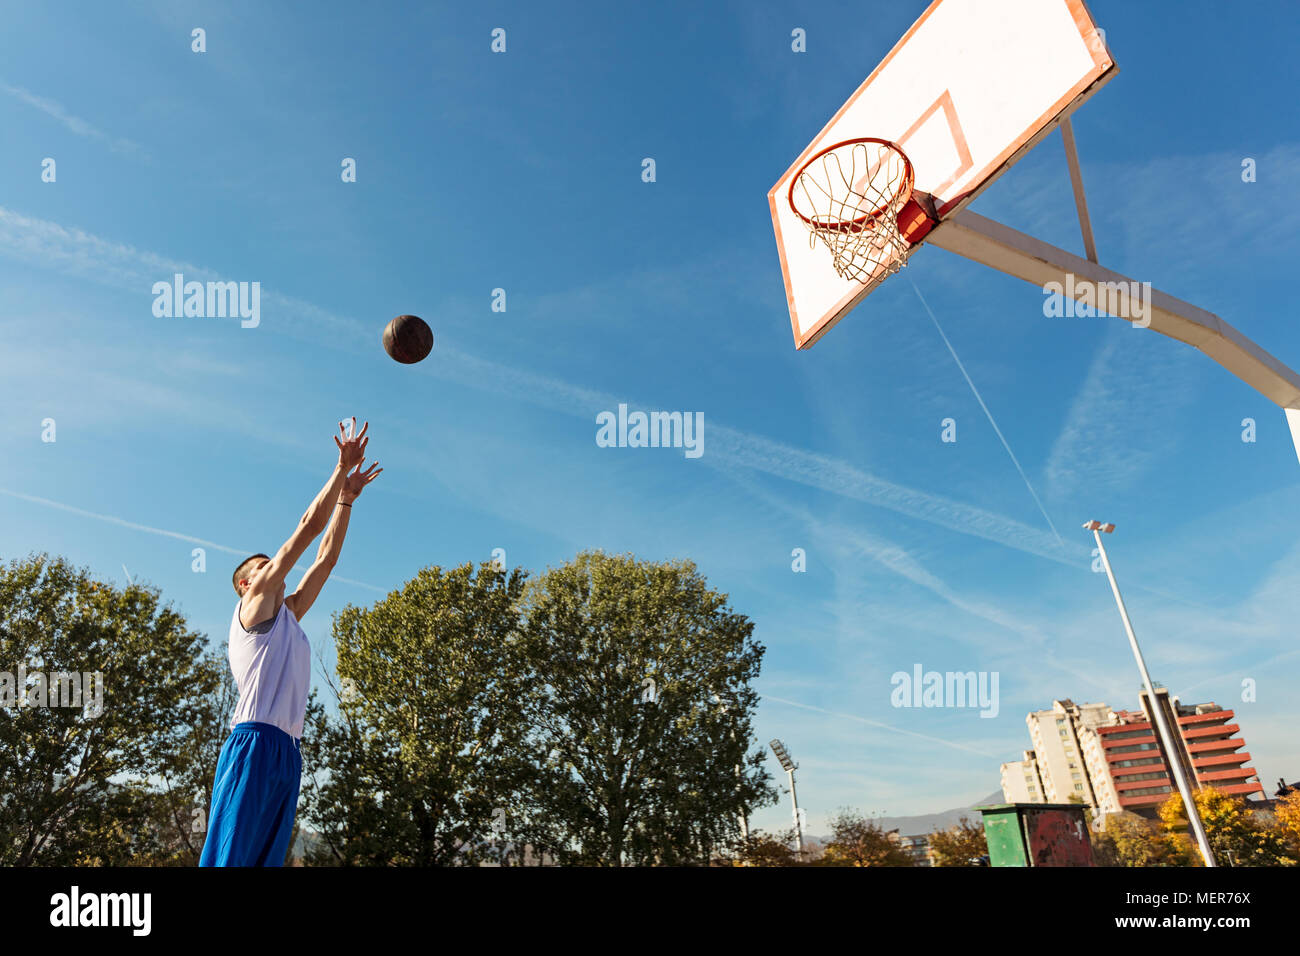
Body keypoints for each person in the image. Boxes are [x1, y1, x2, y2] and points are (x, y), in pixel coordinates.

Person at [200, 418, 382, 866]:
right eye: (262, 568)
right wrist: (340, 469)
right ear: (247, 585)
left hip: (288, 752)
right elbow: (306, 529)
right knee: (233, 858)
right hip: (254, 743)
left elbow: (326, 557)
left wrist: (347, 500)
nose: (271, 570)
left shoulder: (289, 616)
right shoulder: (253, 610)